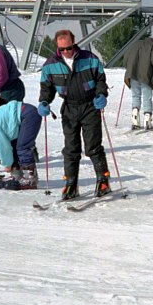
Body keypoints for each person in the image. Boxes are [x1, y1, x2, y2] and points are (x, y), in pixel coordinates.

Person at [37, 29, 111, 200]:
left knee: (93, 146)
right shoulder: (50, 65)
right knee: (71, 148)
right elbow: (46, 88)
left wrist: (101, 94)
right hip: (69, 108)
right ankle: (71, 184)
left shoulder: (90, 59)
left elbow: (100, 80)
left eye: (68, 48)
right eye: (61, 49)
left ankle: (103, 180)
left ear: (74, 43)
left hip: (90, 105)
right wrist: (44, 101)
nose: (65, 52)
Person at [123, 37, 153, 130]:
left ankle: (135, 121)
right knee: (147, 97)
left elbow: (125, 59)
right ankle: (147, 121)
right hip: (146, 75)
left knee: (135, 96)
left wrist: (129, 68)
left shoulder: (135, 43)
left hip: (132, 74)